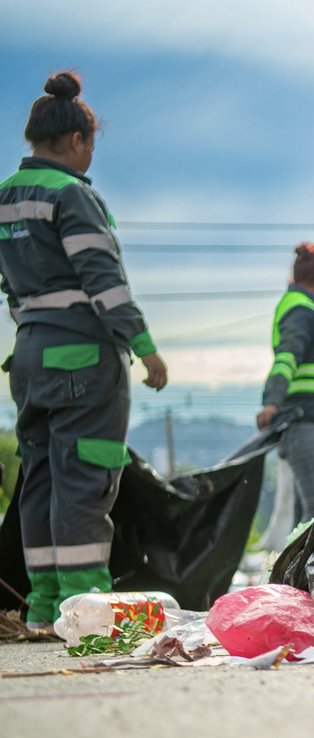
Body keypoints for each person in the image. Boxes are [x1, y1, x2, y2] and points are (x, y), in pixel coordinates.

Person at [0, 72, 169, 630]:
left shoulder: (6, 197)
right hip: (82, 359)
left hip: (28, 358)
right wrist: (145, 349)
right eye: (91, 144)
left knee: (42, 479)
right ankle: (84, 607)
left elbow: (10, 287)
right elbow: (104, 282)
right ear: (75, 140)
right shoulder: (71, 194)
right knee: (84, 480)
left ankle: (45, 607)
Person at [256, 243, 314, 529]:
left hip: (311, 424)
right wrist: (272, 401)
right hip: (305, 423)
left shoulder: (306, 308)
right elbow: (288, 356)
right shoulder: (301, 311)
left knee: (308, 516)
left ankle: (295, 574)